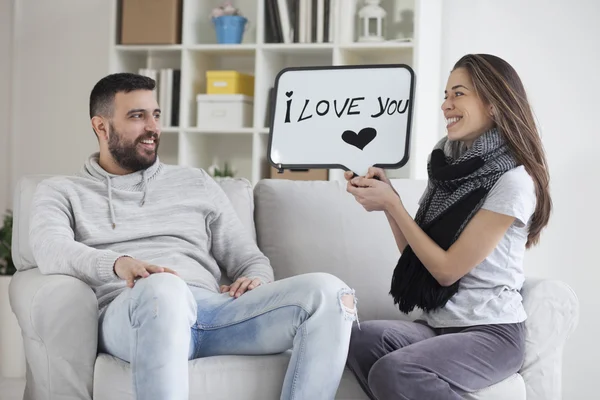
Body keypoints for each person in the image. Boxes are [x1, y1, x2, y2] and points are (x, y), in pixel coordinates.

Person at [28, 72, 358, 400]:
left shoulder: (195, 182)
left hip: (213, 311)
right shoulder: (62, 191)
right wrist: (119, 264)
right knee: (163, 288)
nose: (153, 128)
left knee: (331, 293)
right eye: (137, 116)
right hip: (133, 312)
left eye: (155, 115)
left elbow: (249, 258)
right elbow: (50, 248)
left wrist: (255, 278)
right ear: (101, 126)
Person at [344, 53, 552, 400]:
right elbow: (420, 257)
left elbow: (446, 271)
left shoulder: (514, 181)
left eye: (458, 94)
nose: (446, 105)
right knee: (357, 339)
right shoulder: (448, 167)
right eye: (445, 95)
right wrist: (389, 204)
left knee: (396, 371)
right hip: (438, 326)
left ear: (493, 104)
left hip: (491, 334)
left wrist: (394, 205)